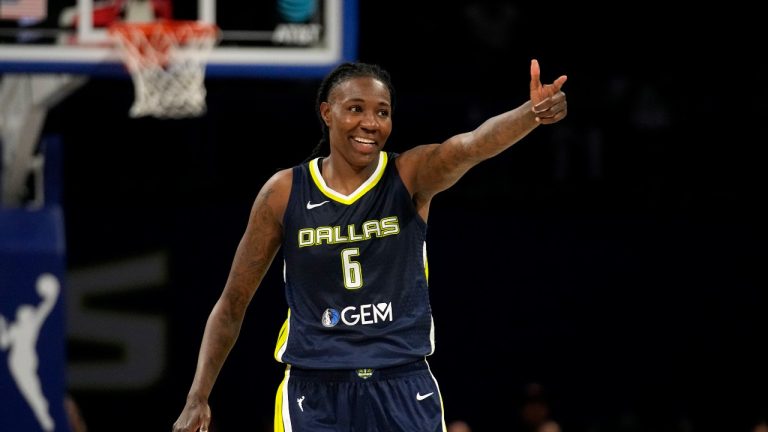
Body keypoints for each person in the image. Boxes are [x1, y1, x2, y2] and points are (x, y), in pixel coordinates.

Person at [172, 59, 567, 432]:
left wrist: (530, 114)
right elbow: (232, 303)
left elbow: (471, 146)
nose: (371, 123)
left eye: (382, 112)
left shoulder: (409, 175)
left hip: (403, 382)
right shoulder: (284, 192)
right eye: (356, 108)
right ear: (327, 113)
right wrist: (198, 395)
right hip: (315, 390)